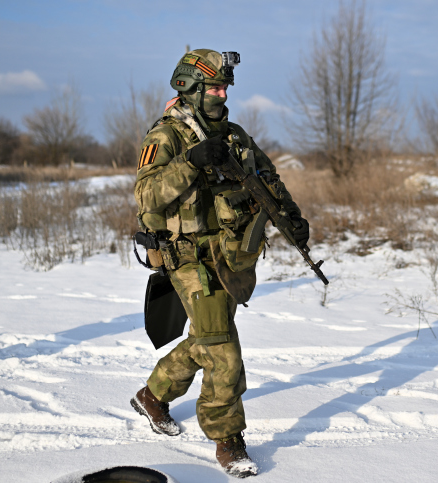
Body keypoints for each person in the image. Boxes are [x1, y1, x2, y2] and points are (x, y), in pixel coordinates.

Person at [130, 49, 309, 478]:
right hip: (187, 256)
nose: (222, 93)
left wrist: (293, 218)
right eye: (213, 87)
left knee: (208, 339)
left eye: (224, 86)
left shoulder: (234, 135)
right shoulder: (166, 135)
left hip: (232, 255)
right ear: (188, 88)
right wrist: (191, 162)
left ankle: (153, 395)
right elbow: (147, 194)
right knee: (224, 351)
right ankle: (227, 439)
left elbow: (267, 179)